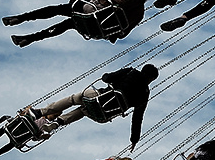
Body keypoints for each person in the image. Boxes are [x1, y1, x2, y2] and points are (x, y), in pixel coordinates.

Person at [17, 63, 159, 147]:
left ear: (142, 70)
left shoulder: (130, 72)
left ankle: (40, 112)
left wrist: (105, 76)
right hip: (104, 115)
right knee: (83, 111)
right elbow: (137, 118)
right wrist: (134, 140)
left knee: (75, 98)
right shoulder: (145, 94)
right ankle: (58, 122)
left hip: (99, 99)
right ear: (151, 79)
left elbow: (107, 78)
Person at [3, 0, 154, 47]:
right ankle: (29, 39)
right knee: (67, 24)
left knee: (57, 10)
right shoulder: (140, 12)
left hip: (92, 13)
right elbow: (123, 34)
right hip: (98, 29)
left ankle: (20, 18)